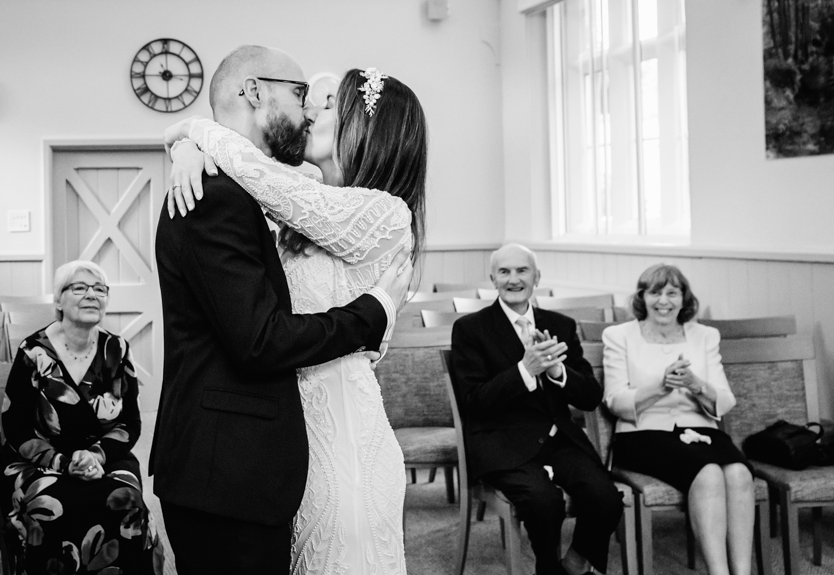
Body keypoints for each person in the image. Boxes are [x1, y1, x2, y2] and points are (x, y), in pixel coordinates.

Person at [152, 46, 416, 575]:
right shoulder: (270, 195)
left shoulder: (379, 212)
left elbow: (266, 178)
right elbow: (260, 331)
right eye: (304, 99)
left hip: (338, 432)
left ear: (360, 132)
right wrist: (190, 142)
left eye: (324, 106)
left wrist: (193, 132)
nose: (312, 113)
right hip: (272, 453)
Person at [450, 244, 623, 575]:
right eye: (505, 272)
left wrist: (558, 372)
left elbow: (589, 397)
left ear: (537, 277)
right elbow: (474, 401)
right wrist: (525, 371)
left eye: (522, 271)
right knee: (545, 502)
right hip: (502, 442)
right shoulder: (471, 329)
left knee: (605, 498)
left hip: (558, 438)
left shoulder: (560, 324)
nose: (514, 279)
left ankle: (574, 563)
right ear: (493, 279)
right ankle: (548, 568)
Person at [0, 259, 157, 575]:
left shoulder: (117, 349)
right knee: (49, 503)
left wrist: (95, 456)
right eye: (80, 288)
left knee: (126, 499)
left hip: (105, 456)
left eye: (100, 289)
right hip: (40, 458)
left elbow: (129, 424)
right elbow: (14, 426)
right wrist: (62, 462)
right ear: (58, 300)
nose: (92, 295)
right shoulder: (33, 352)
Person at [603, 264, 754, 575]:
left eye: (673, 293)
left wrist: (696, 384)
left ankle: (742, 572)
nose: (664, 301)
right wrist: (661, 386)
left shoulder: (705, 336)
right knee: (709, 472)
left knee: (739, 473)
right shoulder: (619, 335)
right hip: (642, 432)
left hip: (699, 428)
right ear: (641, 297)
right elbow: (615, 400)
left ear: (684, 298)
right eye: (655, 292)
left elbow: (725, 400)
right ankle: (718, 572)